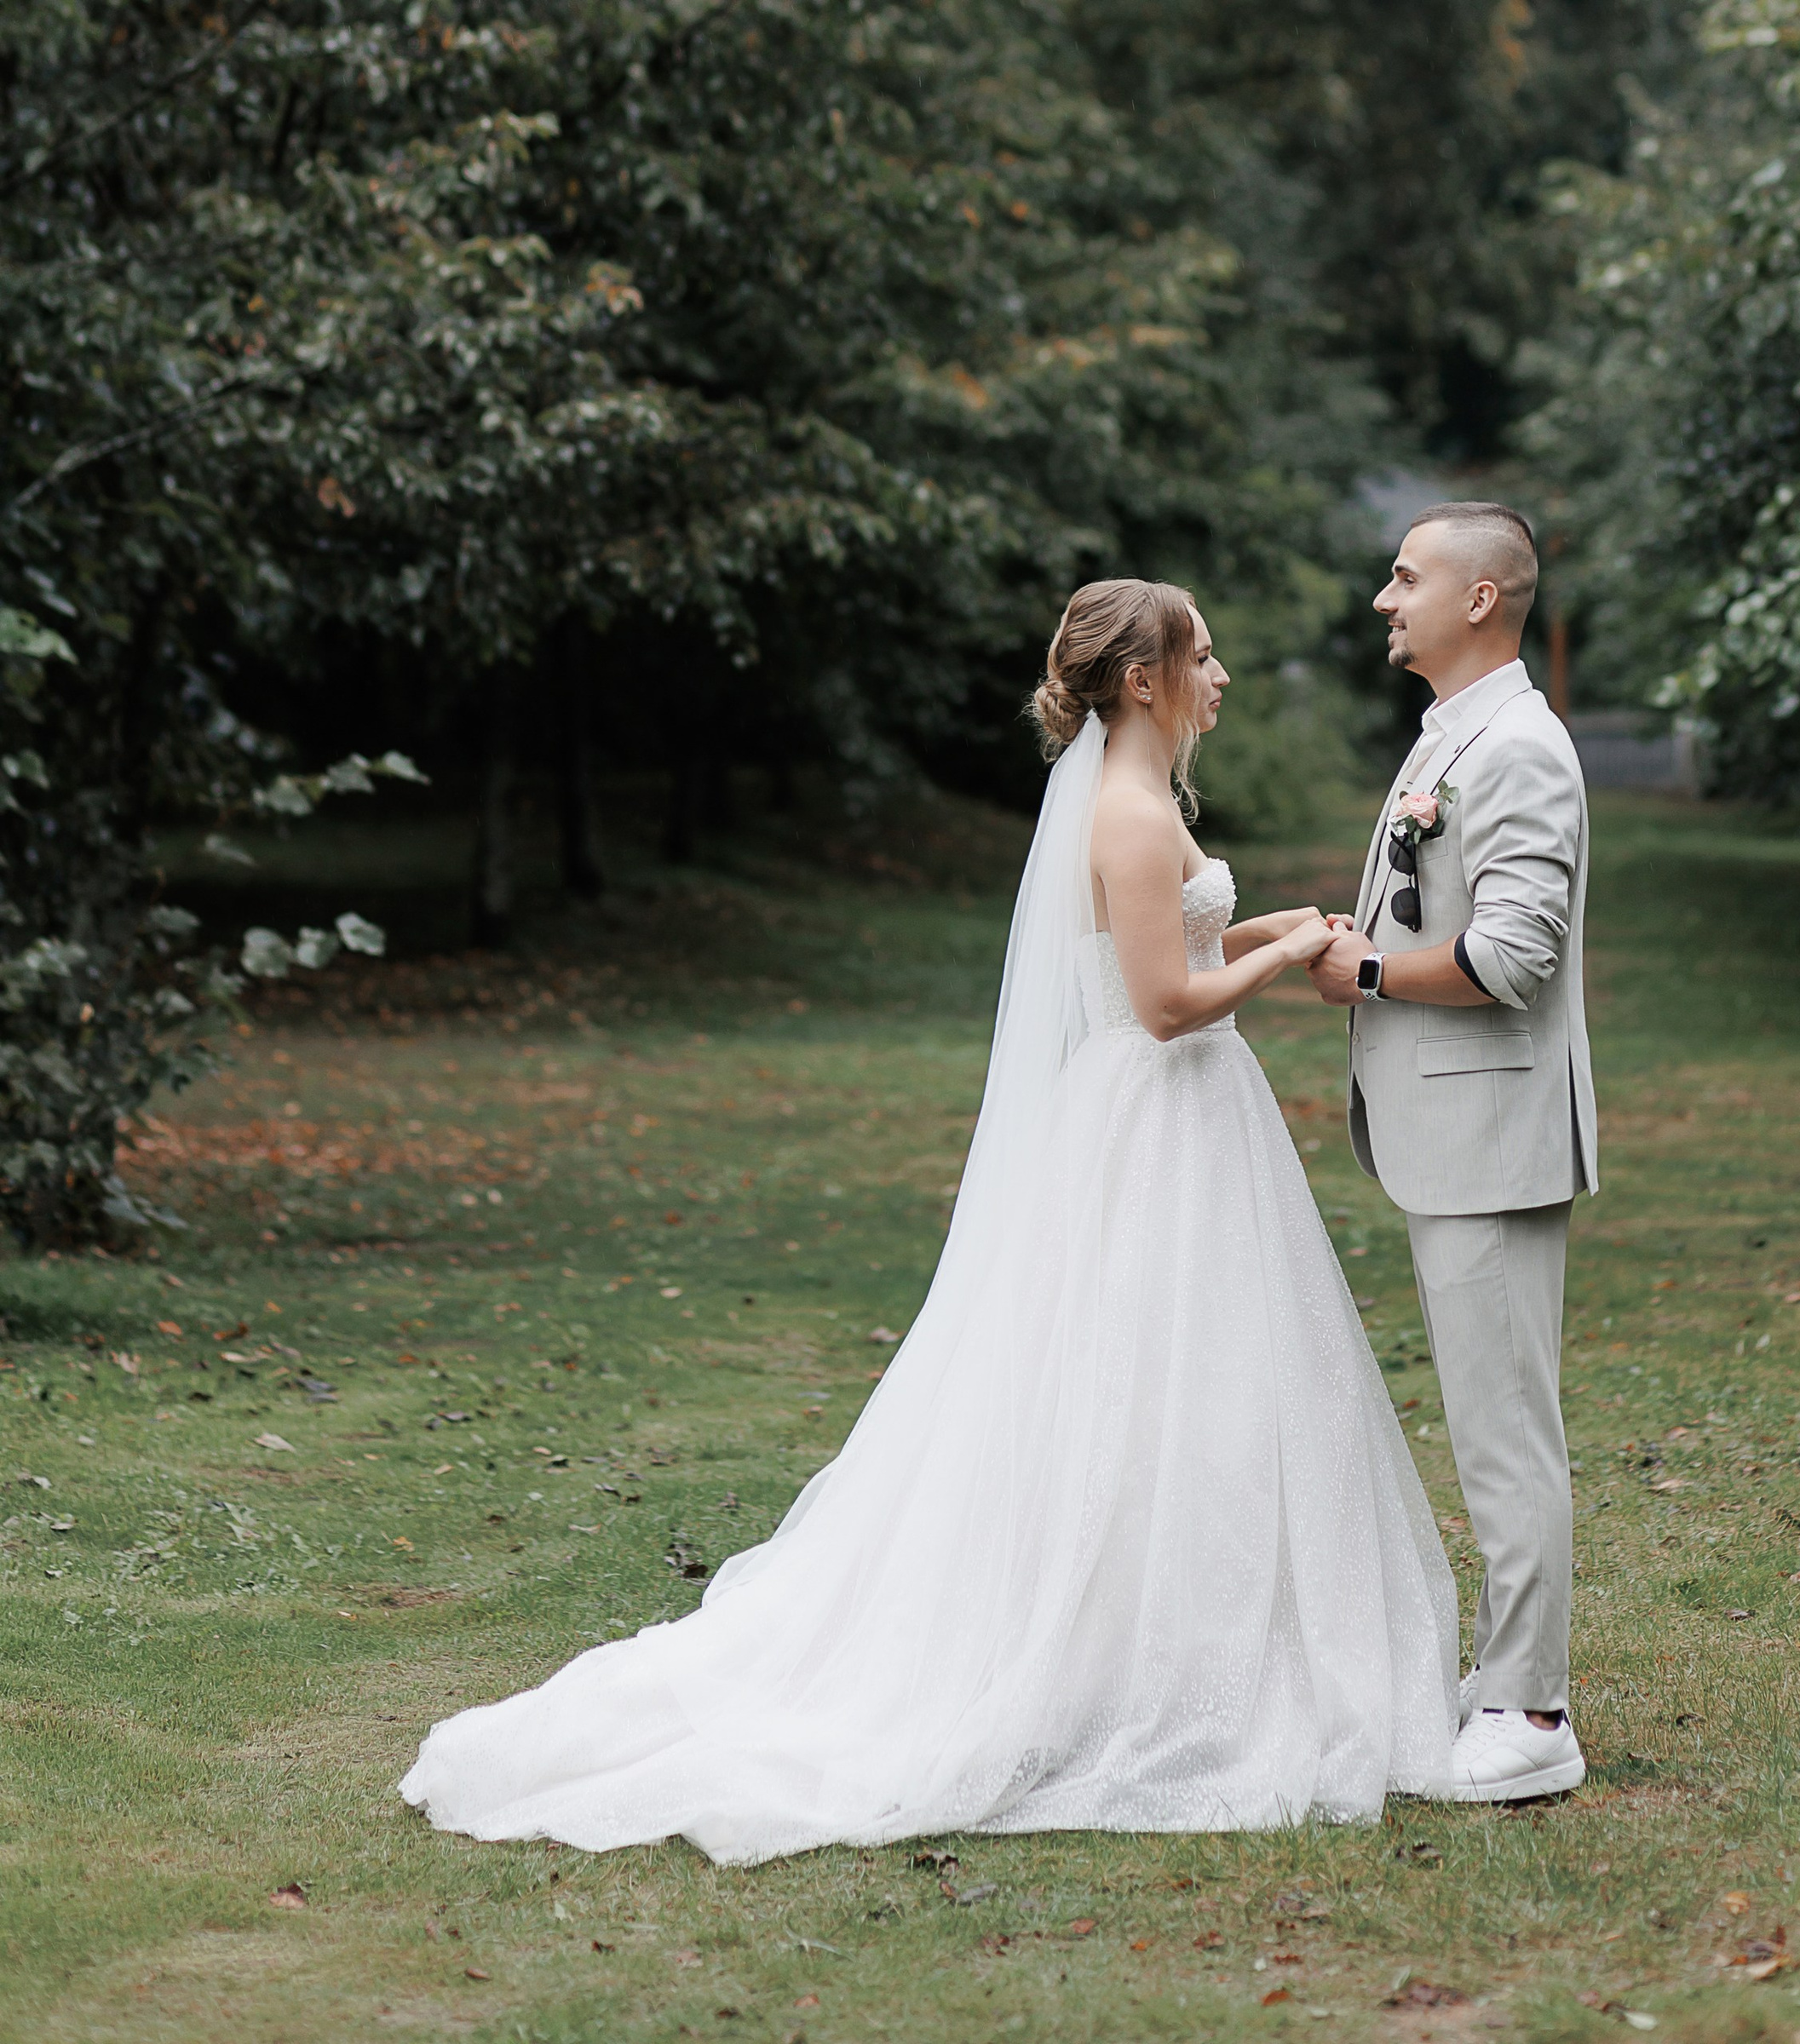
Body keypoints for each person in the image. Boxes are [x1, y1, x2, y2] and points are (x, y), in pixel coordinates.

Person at [401, 579, 1468, 1863]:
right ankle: (1112, 1651)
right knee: (1132, 1381)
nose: (1223, 672)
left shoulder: (1149, 809)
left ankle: (1195, 1628)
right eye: (1205, 653)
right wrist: (1283, 962)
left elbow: (1177, 949)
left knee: (1209, 1385)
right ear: (1145, 682)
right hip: (1155, 1108)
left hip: (1190, 1115)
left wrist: (1276, 925)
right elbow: (1164, 1007)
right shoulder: (1126, 815)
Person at [1306, 502, 1598, 1804]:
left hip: (1493, 1138)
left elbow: (1511, 959)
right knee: (1490, 1425)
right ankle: (1502, 1679)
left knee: (1503, 1436)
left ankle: (1534, 1716)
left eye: (1407, 576)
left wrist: (1364, 964)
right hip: (1455, 1133)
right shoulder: (1455, 733)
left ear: (1481, 599)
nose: (1386, 596)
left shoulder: (1518, 748)